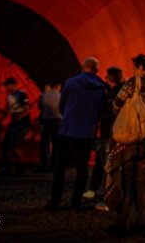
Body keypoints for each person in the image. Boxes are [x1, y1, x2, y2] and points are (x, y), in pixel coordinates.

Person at [104, 54, 145, 236]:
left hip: (130, 142)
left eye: (134, 67)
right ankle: (143, 224)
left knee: (126, 183)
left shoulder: (134, 82)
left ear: (140, 67)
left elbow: (116, 105)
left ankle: (121, 223)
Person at [45, 57, 106, 211]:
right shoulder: (101, 87)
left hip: (68, 129)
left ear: (83, 67)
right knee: (82, 168)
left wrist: (69, 116)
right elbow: (101, 111)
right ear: (96, 70)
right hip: (87, 132)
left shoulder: (71, 82)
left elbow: (62, 105)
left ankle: (55, 201)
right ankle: (76, 202)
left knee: (60, 167)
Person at [85, 65, 124, 204]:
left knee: (108, 164)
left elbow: (109, 114)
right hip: (114, 133)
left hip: (109, 134)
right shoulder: (121, 91)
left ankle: (108, 194)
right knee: (101, 162)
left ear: (110, 78)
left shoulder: (113, 94)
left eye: (107, 77)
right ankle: (94, 188)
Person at [1, 76, 32, 175]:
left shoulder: (22, 94)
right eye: (5, 86)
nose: (6, 88)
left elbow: (27, 109)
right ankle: (7, 168)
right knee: (5, 145)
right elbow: (8, 111)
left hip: (23, 124)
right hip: (14, 124)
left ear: (13, 85)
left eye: (8, 85)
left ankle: (23, 168)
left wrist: (20, 116)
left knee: (13, 145)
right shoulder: (9, 97)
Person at [37, 82, 62, 172]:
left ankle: (44, 165)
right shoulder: (61, 95)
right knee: (56, 145)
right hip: (58, 121)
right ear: (58, 87)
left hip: (46, 121)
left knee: (44, 144)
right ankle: (54, 165)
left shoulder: (44, 95)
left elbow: (39, 107)